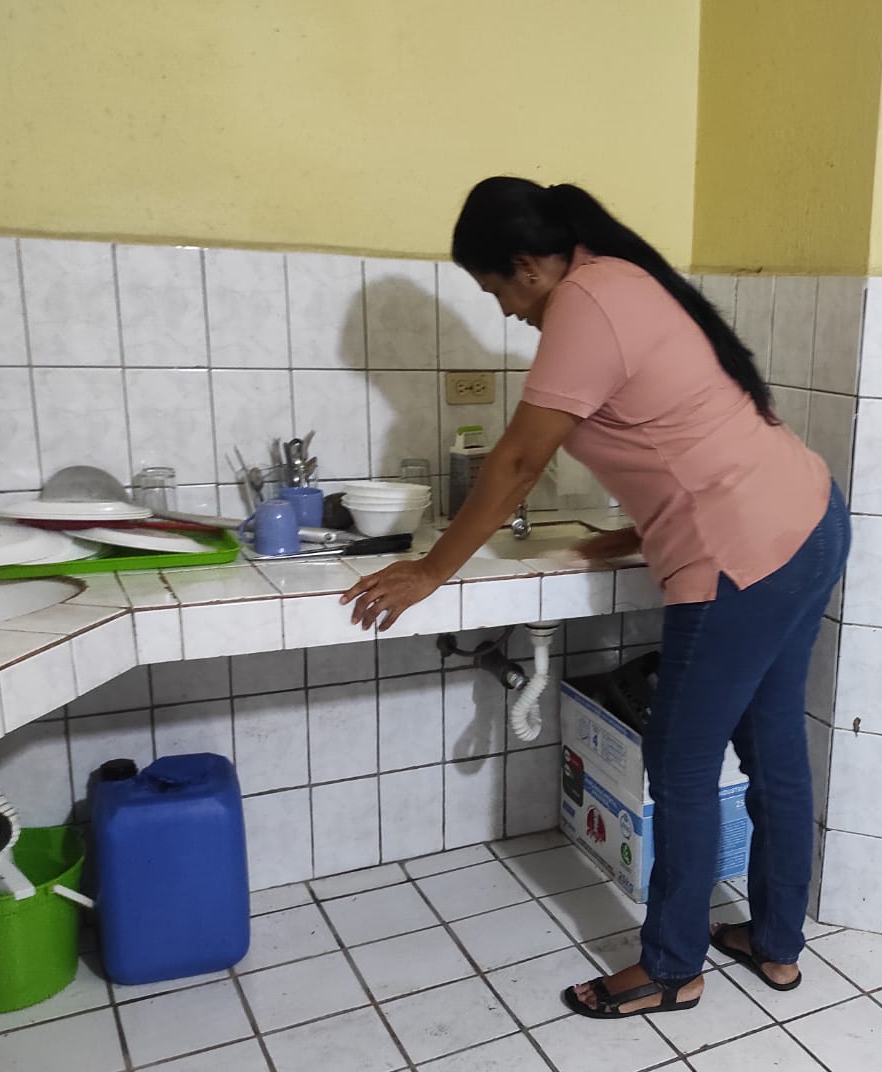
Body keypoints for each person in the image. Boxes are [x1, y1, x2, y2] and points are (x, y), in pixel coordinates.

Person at [341, 177, 850, 1018]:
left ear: (527, 265)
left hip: (739, 555)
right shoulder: (624, 278)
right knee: (773, 746)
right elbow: (683, 429)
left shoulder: (584, 301)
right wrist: (643, 528)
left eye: (497, 290)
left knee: (680, 764)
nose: (506, 311)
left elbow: (516, 463)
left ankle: (671, 967)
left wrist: (431, 569)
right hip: (808, 518)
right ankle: (776, 942)